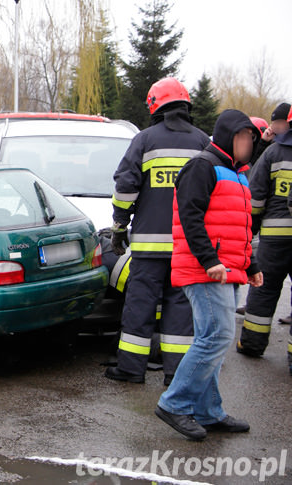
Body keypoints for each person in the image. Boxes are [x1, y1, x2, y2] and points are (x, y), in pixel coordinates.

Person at [155, 109, 262, 440]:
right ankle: (175, 403)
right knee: (216, 336)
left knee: (213, 339)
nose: (247, 144)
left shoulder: (237, 172)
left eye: (251, 139)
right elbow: (189, 217)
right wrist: (208, 260)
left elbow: (238, 227)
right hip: (205, 269)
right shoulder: (202, 166)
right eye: (243, 137)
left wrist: (251, 265)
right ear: (229, 135)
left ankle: (208, 411)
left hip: (226, 270)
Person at [105, 78, 209, 386]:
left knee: (140, 305)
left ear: (155, 105)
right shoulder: (203, 143)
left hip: (149, 248)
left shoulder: (145, 140)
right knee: (181, 307)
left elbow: (125, 186)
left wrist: (119, 225)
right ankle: (176, 374)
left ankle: (131, 369)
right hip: (188, 247)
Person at [237, 104, 292, 363]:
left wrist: (252, 230)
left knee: (264, 287)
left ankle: (252, 344)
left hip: (274, 237)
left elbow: (255, 198)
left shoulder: (274, 153)